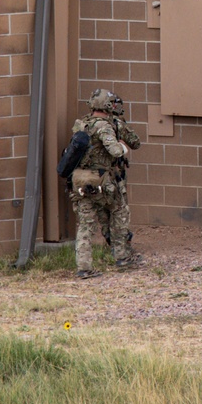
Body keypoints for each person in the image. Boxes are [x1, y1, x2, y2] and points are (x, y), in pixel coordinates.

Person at [69, 89, 142, 279]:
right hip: (102, 181)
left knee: (85, 225)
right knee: (119, 213)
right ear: (108, 105)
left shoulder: (81, 124)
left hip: (80, 181)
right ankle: (122, 256)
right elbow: (116, 150)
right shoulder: (105, 126)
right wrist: (122, 146)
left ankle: (84, 267)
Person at [99, 94, 140, 253]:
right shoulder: (118, 124)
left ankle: (110, 242)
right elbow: (136, 142)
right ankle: (122, 248)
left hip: (97, 174)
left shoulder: (90, 123)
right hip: (116, 174)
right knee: (120, 210)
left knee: (103, 211)